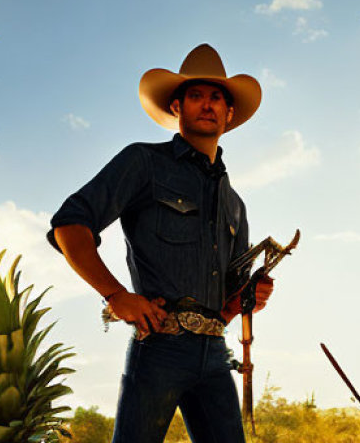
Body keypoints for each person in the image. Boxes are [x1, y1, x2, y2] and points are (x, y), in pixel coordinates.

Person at [48, 43, 273, 443]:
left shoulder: (235, 205)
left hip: (215, 355)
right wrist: (116, 294)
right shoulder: (144, 163)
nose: (207, 105)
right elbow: (69, 225)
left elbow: (228, 303)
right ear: (176, 108)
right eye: (196, 96)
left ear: (229, 113)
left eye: (216, 98)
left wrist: (250, 295)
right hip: (160, 347)